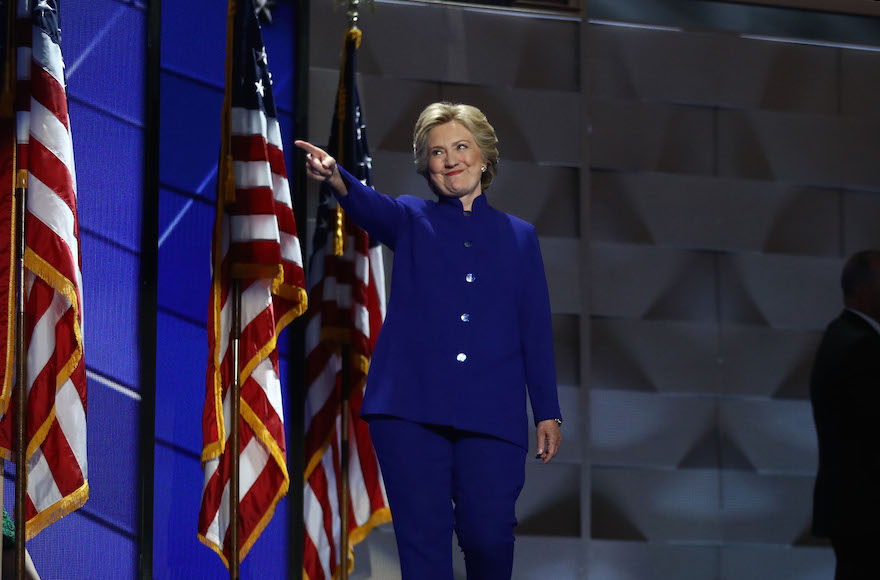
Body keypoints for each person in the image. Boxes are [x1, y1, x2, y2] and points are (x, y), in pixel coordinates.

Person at [296, 102, 562, 579]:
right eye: (437, 152)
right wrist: (338, 178)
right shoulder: (411, 217)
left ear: (484, 156)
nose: (450, 159)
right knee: (423, 548)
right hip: (409, 410)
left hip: (492, 412)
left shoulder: (521, 238)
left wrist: (547, 409)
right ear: (426, 164)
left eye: (461, 146)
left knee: (489, 536)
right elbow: (369, 206)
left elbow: (535, 327)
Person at [810, 250, 880, 579]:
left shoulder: (839, 334)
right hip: (869, 514)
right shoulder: (862, 347)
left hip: (854, 512)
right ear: (865, 289)